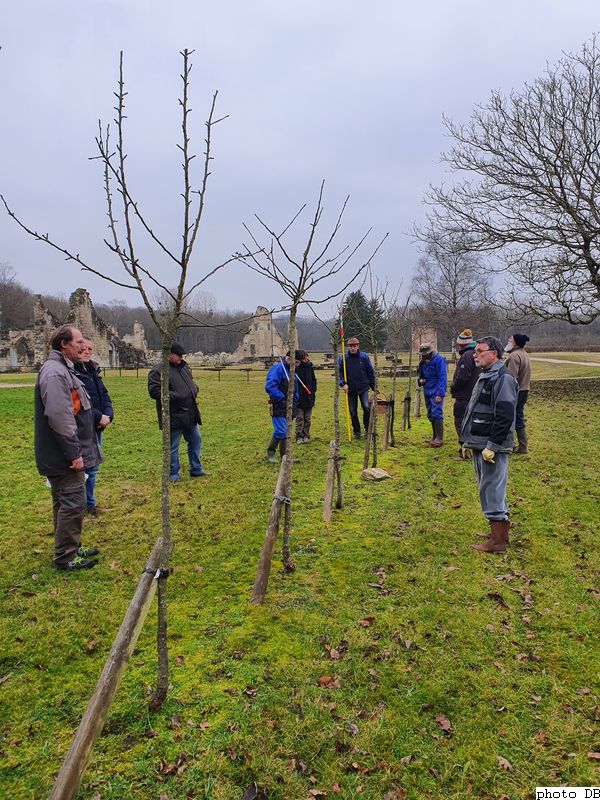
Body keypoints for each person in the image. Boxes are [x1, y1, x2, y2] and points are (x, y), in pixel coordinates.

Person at [34, 325, 102, 570]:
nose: (83, 346)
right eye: (78, 342)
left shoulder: (64, 370)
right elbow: (59, 416)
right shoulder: (55, 373)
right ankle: (65, 557)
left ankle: (71, 546)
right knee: (73, 502)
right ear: (63, 344)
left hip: (65, 453)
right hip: (63, 456)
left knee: (65, 502)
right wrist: (74, 453)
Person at [460, 336, 518, 554]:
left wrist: (492, 445)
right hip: (480, 442)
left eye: (480, 351)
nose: (475, 355)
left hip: (490, 445)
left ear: (494, 353)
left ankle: (498, 543)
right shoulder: (487, 374)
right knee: (487, 488)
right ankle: (497, 533)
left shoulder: (502, 378)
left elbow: (504, 415)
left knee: (492, 489)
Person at [147, 342, 205, 482]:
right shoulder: (158, 371)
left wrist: (194, 389)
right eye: (178, 355)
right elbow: (155, 392)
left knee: (195, 440)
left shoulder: (183, 367)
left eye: (181, 355)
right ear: (168, 354)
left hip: (190, 413)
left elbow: (190, 383)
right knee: (173, 446)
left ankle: (196, 469)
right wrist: (178, 395)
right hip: (174, 415)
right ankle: (173, 474)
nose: (181, 358)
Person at [74, 337, 114, 514]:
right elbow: (80, 403)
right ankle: (82, 506)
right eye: (83, 349)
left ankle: (89, 505)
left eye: (89, 349)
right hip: (82, 427)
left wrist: (108, 415)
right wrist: (99, 417)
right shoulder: (73, 373)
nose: (87, 352)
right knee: (83, 468)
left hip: (96, 426)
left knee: (92, 467)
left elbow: (104, 395)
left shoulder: (92, 370)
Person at [265, 350, 301, 462]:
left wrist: (295, 399)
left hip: (290, 405)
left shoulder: (292, 371)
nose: (297, 365)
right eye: (297, 362)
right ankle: (270, 454)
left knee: (287, 430)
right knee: (281, 430)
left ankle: (284, 457)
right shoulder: (278, 369)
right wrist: (281, 398)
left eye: (298, 363)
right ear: (289, 359)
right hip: (278, 404)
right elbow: (270, 386)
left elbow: (294, 388)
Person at [450, 329, 480, 459]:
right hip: (472, 394)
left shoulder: (467, 355)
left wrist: (454, 387)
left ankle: (466, 452)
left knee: (461, 421)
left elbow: (462, 377)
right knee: (469, 422)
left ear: (462, 343)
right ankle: (471, 448)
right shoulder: (475, 353)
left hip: (464, 395)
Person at [338, 337, 375, 440]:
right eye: (350, 347)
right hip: (350, 389)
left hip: (363, 387)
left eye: (354, 346)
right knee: (352, 411)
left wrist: (374, 386)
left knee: (366, 407)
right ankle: (356, 431)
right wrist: (343, 384)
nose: (352, 348)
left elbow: (370, 372)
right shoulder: (343, 359)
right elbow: (339, 374)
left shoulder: (364, 357)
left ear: (358, 346)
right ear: (348, 347)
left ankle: (368, 429)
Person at [504, 332, 531, 454]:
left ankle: (512, 446)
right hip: (524, 390)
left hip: (515, 391)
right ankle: (522, 446)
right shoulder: (524, 354)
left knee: (510, 417)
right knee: (518, 416)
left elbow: (510, 378)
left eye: (511, 339)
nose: (509, 339)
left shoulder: (514, 356)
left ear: (515, 343)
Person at [417, 344, 447, 446]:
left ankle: (439, 438)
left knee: (436, 412)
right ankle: (434, 436)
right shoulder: (422, 362)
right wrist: (420, 381)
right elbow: (421, 375)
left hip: (436, 390)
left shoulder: (439, 360)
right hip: (427, 389)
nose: (423, 356)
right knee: (430, 413)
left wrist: (440, 393)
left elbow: (442, 377)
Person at [295, 350, 317, 444]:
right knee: (299, 418)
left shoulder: (309, 367)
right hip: (299, 397)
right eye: (304, 358)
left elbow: (313, 379)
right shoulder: (296, 368)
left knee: (307, 418)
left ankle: (306, 435)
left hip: (309, 397)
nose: (306, 359)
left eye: (306, 357)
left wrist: (313, 391)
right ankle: (299, 436)